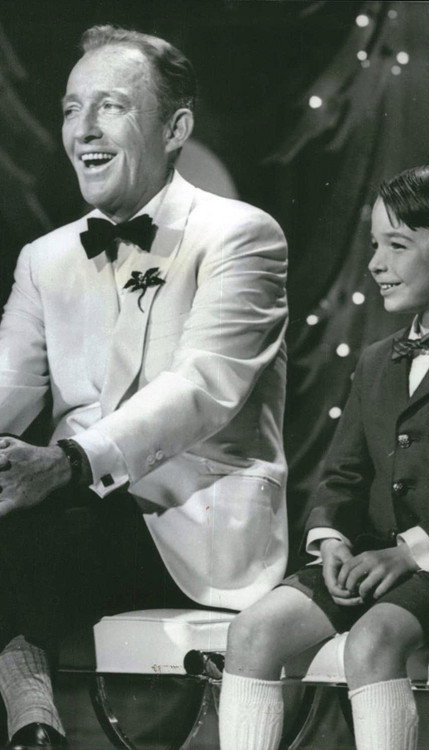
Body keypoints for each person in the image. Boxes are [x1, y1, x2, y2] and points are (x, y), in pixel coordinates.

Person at [0, 24, 288, 750]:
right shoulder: (45, 258)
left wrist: (68, 462)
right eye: (71, 108)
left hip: (188, 525)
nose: (84, 130)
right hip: (72, 522)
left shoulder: (241, 235)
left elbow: (202, 387)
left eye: (112, 106)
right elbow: (7, 385)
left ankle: (29, 708)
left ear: (175, 129)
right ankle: (33, 721)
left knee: (32, 527)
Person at [219, 163, 429, 750]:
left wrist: (409, 554)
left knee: (373, 641)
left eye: (396, 245)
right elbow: (343, 474)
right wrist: (332, 541)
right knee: (252, 632)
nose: (375, 263)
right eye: (374, 245)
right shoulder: (377, 360)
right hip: (374, 560)